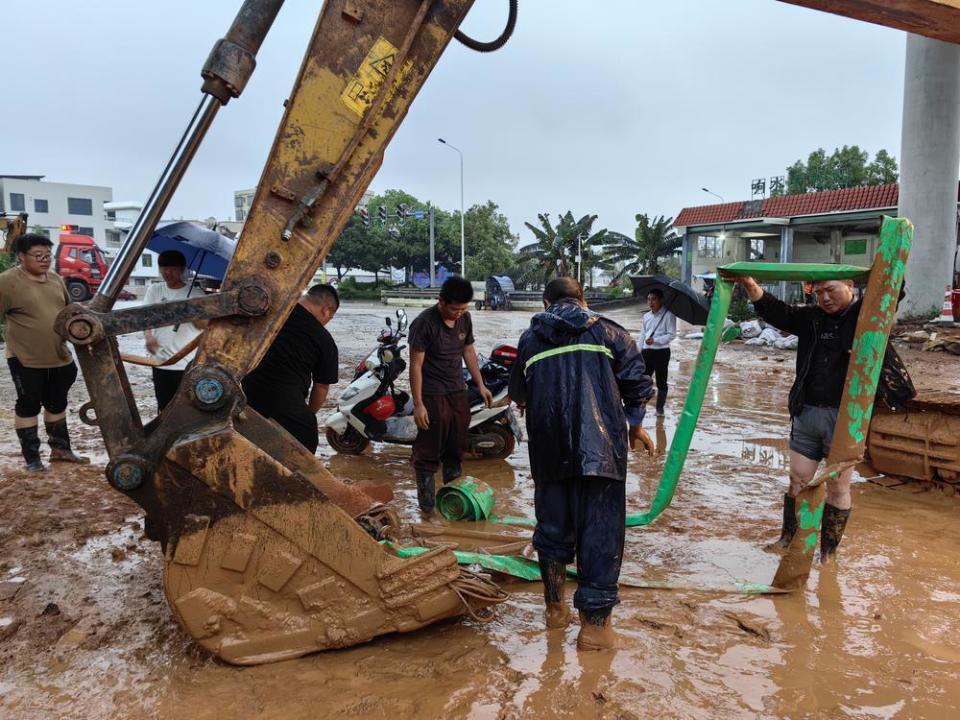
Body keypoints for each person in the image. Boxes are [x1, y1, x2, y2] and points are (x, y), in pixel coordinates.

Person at [509, 277, 655, 651]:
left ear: (546, 304)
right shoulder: (610, 332)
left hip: (549, 453)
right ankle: (594, 629)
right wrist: (635, 426)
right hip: (602, 455)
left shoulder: (529, 340)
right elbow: (639, 385)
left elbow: (518, 395)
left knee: (551, 531)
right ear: (583, 299)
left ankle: (554, 610)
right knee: (600, 536)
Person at [736, 276, 915, 561]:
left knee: (838, 487)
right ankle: (789, 540)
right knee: (797, 479)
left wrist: (889, 264)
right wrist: (748, 283)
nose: (825, 298)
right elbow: (776, 311)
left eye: (831, 290)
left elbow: (892, 290)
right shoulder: (811, 318)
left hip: (847, 418)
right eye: (818, 292)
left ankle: (828, 553)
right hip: (806, 412)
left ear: (850, 286)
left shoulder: (868, 315)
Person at [0, 233, 88, 470]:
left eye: (48, 255)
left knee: (57, 403)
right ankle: (33, 459)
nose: (44, 259)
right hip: (25, 358)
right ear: (21, 256)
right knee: (28, 405)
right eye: (38, 255)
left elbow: (69, 312)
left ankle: (61, 450)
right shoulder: (6, 282)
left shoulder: (56, 279)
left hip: (59, 356)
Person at [409, 276, 492, 513]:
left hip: (457, 389)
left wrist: (480, 384)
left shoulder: (465, 319)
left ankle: (451, 501)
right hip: (432, 392)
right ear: (441, 301)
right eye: (455, 309)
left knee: (457, 445)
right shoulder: (424, 323)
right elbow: (415, 365)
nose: (459, 313)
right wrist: (418, 404)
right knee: (430, 446)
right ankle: (426, 507)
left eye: (463, 309)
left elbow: (468, 351)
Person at [242, 284, 340, 453]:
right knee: (305, 445)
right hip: (287, 409)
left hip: (246, 399)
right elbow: (322, 387)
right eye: (330, 318)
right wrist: (309, 413)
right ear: (326, 310)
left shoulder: (268, 315)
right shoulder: (324, 340)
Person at [143, 250, 204, 411]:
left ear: (182, 269)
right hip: (160, 360)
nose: (167, 273)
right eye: (163, 268)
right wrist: (148, 337)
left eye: (172, 268)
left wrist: (192, 313)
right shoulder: (155, 290)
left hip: (185, 362)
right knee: (163, 406)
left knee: (186, 407)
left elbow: (205, 326)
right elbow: (145, 318)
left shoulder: (196, 294)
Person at [640, 288, 676, 416]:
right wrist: (639, 350)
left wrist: (655, 340)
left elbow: (671, 335)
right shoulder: (646, 316)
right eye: (649, 299)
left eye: (654, 299)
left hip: (661, 352)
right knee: (643, 380)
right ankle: (642, 404)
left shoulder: (668, 315)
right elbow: (642, 334)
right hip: (647, 352)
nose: (651, 302)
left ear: (661, 300)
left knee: (661, 381)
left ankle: (659, 409)